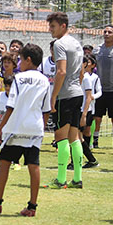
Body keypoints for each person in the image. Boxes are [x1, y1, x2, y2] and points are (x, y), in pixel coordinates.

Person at [0, 43, 49, 216]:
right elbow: (47, 109)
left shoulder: (18, 78)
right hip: (35, 127)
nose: (18, 63)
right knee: (34, 165)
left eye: (20, 60)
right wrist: (42, 128)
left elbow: (11, 105)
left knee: (4, 163)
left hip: (16, 127)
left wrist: (0, 129)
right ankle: (32, 207)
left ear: (28, 60)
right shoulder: (45, 80)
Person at [46, 12, 85, 189]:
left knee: (60, 138)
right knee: (74, 137)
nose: (50, 30)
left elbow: (61, 72)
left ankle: (61, 179)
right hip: (78, 93)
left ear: (63, 26)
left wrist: (54, 96)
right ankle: (77, 178)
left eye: (53, 26)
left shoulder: (60, 44)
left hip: (66, 95)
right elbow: (82, 72)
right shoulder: (77, 43)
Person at [79, 55, 101, 168]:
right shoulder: (77, 77)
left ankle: (90, 160)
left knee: (78, 136)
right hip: (78, 110)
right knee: (77, 136)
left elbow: (88, 96)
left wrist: (84, 114)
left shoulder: (87, 78)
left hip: (85, 110)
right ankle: (87, 160)